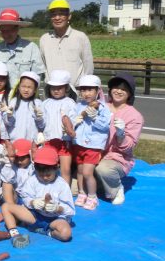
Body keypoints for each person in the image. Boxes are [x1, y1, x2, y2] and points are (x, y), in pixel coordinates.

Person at [2, 146, 75, 248]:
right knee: (6, 206)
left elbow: (71, 210)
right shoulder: (32, 180)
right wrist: (32, 203)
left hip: (54, 219)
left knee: (66, 233)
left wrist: (58, 208)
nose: (44, 178)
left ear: (56, 168)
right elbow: (26, 197)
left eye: (48, 175)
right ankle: (15, 234)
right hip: (35, 215)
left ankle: (48, 232)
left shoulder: (62, 185)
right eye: (40, 175)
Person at [96, 73, 144, 205]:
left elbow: (129, 147)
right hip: (94, 153)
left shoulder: (135, 116)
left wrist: (121, 135)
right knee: (74, 187)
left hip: (117, 158)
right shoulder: (101, 106)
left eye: (123, 89)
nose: (118, 91)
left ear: (130, 93)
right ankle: (99, 184)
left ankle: (116, 189)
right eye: (116, 87)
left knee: (104, 169)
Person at [70, 75, 112, 210]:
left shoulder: (103, 108)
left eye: (90, 90)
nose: (86, 93)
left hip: (93, 145)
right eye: (83, 90)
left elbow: (105, 126)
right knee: (80, 171)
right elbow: (72, 121)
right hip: (79, 143)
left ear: (97, 91)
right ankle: (82, 193)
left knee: (88, 172)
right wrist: (74, 123)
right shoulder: (78, 106)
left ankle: (93, 196)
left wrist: (94, 117)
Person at [39, 0, 94, 86]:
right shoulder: (44, 39)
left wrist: (84, 89)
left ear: (69, 16)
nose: (57, 18)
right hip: (52, 92)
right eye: (53, 14)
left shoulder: (80, 37)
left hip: (75, 92)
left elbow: (88, 67)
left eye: (61, 14)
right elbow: (43, 65)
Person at [0, 8, 46, 87]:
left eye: (10, 31)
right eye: (3, 31)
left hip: (25, 97)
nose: (6, 34)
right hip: (2, 97)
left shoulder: (31, 48)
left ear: (17, 28)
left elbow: (37, 76)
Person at [41, 70, 77, 185]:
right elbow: (42, 122)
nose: (56, 90)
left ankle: (65, 192)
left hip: (64, 142)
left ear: (66, 88)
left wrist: (69, 128)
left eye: (59, 88)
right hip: (49, 141)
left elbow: (74, 120)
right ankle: (49, 189)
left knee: (65, 169)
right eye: (53, 87)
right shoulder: (45, 103)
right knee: (49, 167)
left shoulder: (70, 103)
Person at [2, 71, 45, 143]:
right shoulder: (14, 102)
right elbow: (9, 123)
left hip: (32, 142)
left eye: (30, 87)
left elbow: (42, 126)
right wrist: (9, 115)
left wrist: (39, 118)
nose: (26, 90)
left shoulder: (38, 103)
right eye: (23, 86)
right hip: (15, 141)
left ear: (35, 90)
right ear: (18, 87)